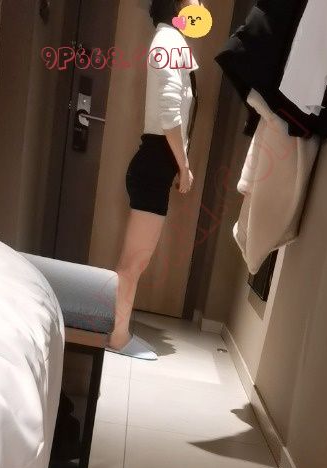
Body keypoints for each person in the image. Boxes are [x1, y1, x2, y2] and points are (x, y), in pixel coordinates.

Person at [108, 0, 199, 359]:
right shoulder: (168, 41)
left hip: (156, 164)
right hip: (154, 164)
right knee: (133, 262)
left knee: (136, 261)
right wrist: (184, 167)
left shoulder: (171, 40)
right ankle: (118, 337)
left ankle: (119, 331)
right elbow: (168, 114)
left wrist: (179, 164)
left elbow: (173, 112)